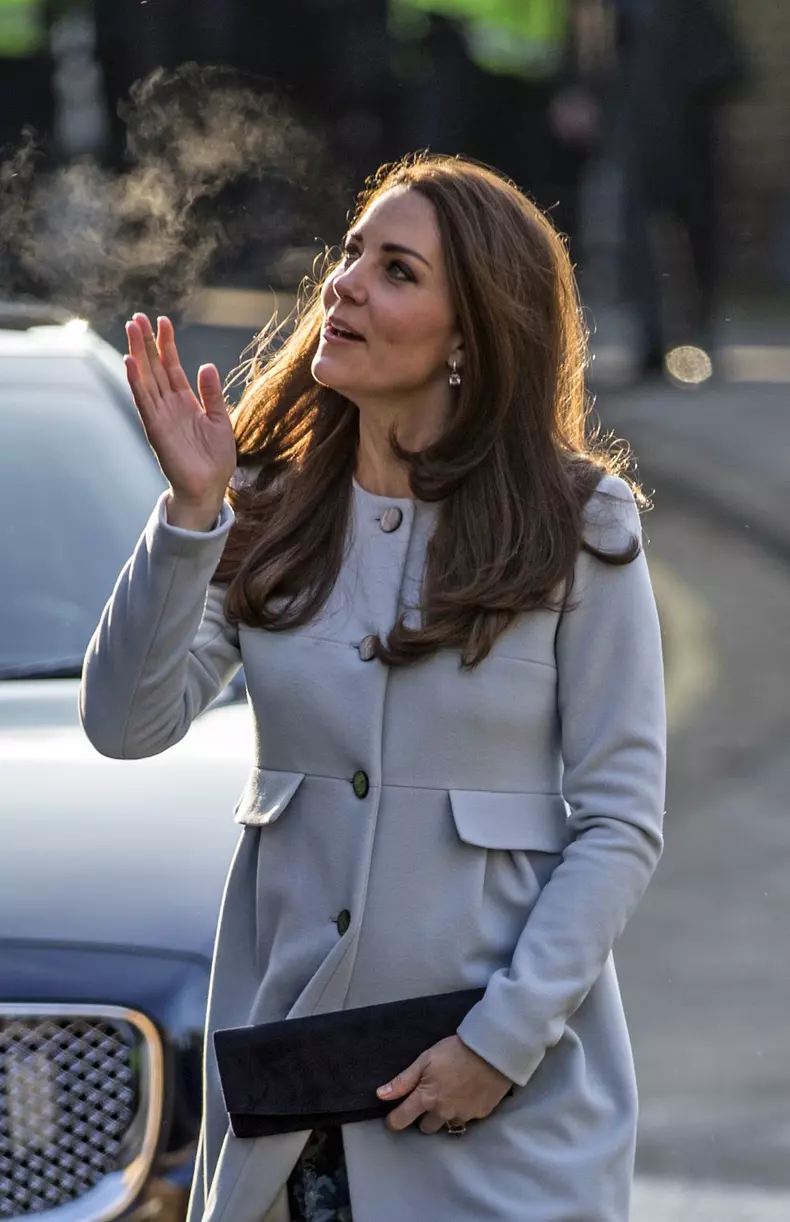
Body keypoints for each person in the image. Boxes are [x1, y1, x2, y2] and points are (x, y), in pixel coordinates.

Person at [80, 152, 666, 1222]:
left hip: (502, 1098)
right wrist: (189, 517)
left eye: (396, 270)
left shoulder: (582, 525)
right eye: (352, 254)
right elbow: (126, 723)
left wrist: (497, 1042)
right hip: (290, 1104)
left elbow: (619, 821)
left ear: (471, 334)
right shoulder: (258, 504)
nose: (345, 283)